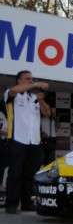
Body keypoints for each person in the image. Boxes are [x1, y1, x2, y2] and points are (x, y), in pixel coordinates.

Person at [3, 71, 51, 214]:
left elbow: (48, 113)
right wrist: (35, 84)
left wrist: (41, 100)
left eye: (32, 79)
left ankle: (27, 202)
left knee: (30, 174)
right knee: (15, 173)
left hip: (34, 142)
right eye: (27, 79)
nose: (31, 81)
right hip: (18, 139)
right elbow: (13, 91)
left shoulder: (34, 98)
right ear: (18, 80)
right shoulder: (13, 95)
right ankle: (11, 204)